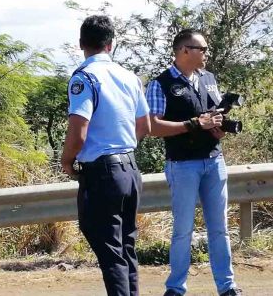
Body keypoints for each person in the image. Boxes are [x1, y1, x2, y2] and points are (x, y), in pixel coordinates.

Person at [145, 29, 241, 296]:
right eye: (203, 49)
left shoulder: (209, 79)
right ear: (184, 50)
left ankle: (227, 287)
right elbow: (152, 126)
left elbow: (213, 115)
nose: (207, 54)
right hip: (182, 164)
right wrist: (193, 124)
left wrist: (217, 126)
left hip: (213, 161)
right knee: (183, 230)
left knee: (219, 229)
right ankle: (175, 288)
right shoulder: (160, 83)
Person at [61, 15, 150, 296]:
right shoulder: (129, 77)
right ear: (111, 44)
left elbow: (79, 131)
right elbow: (144, 126)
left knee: (110, 251)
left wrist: (66, 161)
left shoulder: (84, 77)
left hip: (103, 174)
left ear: (81, 43)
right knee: (126, 247)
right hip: (130, 169)